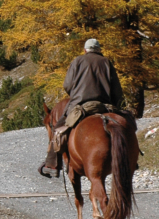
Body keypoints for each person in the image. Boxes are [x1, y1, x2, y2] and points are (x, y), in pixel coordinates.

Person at [40, 38, 125, 177]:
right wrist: (116, 105)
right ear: (99, 49)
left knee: (58, 130)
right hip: (104, 105)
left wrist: (75, 94)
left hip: (80, 105)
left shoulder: (77, 61)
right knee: (126, 124)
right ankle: (130, 158)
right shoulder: (106, 62)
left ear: (85, 50)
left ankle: (52, 165)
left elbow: (67, 85)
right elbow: (117, 90)